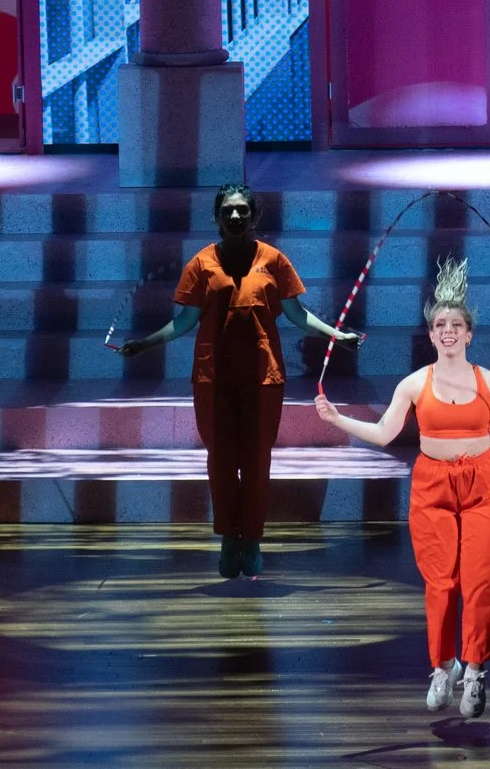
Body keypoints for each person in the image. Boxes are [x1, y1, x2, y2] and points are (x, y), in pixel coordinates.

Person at [315, 258, 490, 720]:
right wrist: (338, 419)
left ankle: (474, 670)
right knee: (441, 582)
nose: (448, 330)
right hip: (433, 485)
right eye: (440, 324)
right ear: (431, 335)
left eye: (457, 323)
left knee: (482, 582)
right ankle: (442, 666)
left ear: (469, 334)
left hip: (484, 486)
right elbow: (384, 432)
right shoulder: (415, 384)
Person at [118, 183, 363, 579]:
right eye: (228, 211)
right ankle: (228, 538)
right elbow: (185, 321)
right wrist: (144, 345)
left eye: (243, 211)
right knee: (220, 462)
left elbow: (297, 314)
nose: (235, 217)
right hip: (213, 379)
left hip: (262, 379)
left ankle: (251, 538)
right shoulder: (201, 263)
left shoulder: (273, 261)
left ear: (254, 217)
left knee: (256, 463)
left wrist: (337, 335)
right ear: (216, 217)